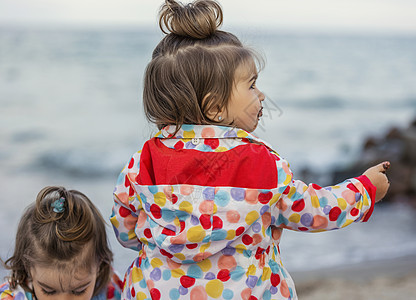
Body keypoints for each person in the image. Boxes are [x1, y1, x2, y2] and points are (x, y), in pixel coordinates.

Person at [110, 0, 391, 299]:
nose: (261, 95)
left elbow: (125, 229)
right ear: (215, 107)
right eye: (252, 85)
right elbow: (313, 212)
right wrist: (364, 190)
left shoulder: (145, 161)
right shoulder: (261, 164)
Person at [1, 186, 123, 300]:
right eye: (48, 291)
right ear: (27, 267)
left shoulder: (113, 290)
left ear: (99, 265)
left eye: (79, 291)